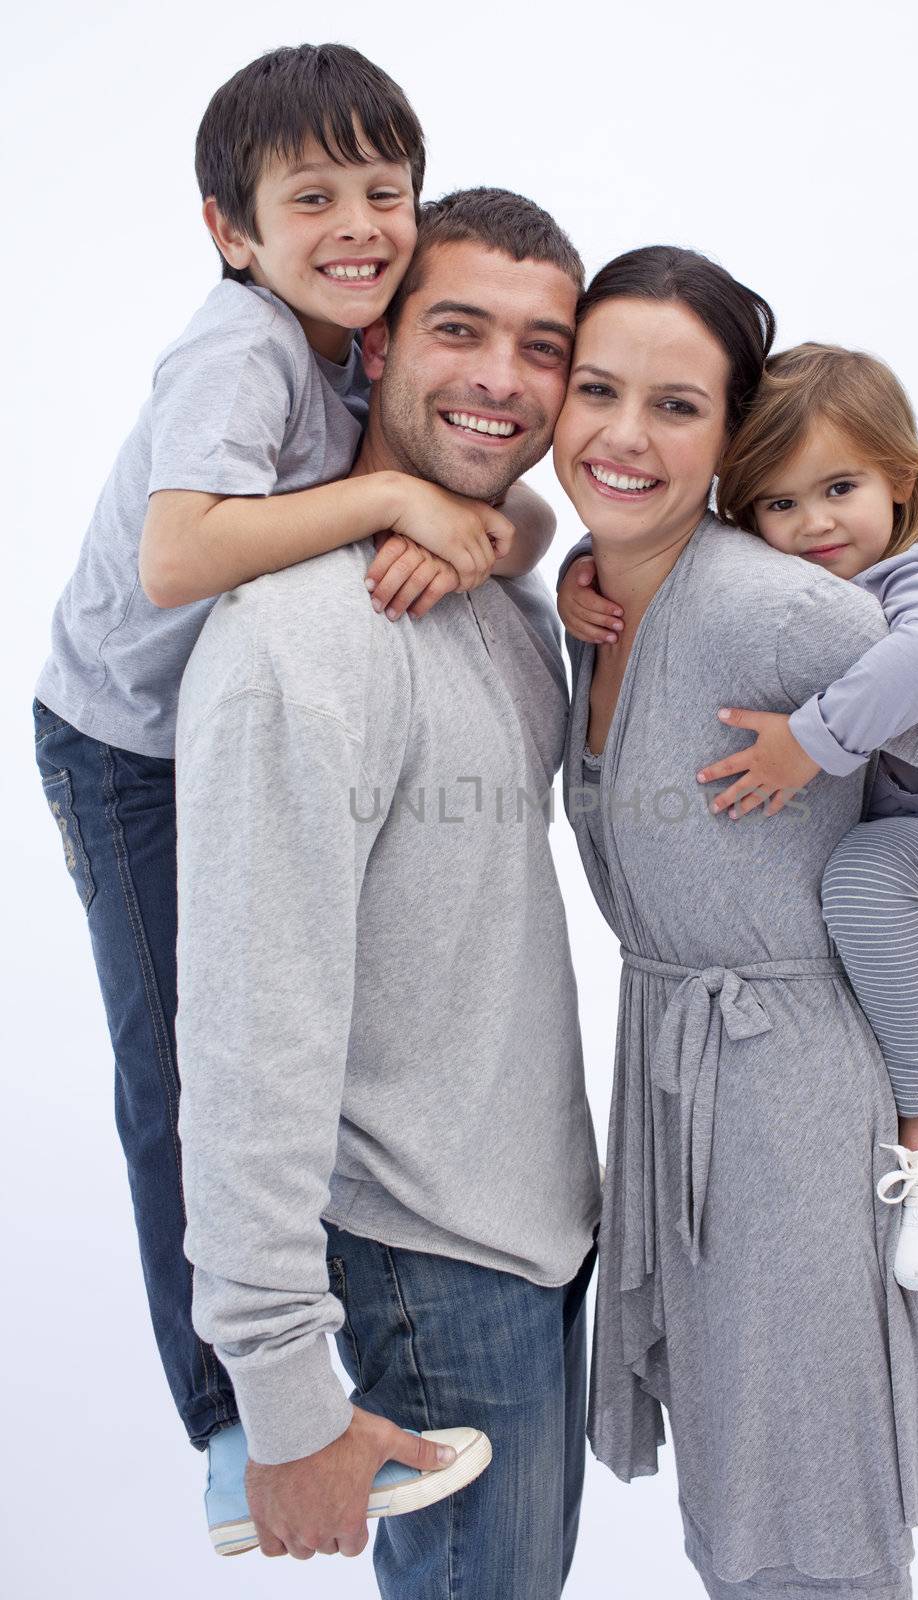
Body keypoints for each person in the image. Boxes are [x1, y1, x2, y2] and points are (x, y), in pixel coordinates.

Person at [547, 245, 918, 1598]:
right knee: (742, 1486)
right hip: (685, 1075)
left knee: (802, 1508)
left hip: (791, 1100)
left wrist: (880, 919)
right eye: (596, 388)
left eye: (678, 405)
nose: (625, 435)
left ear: (721, 433)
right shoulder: (604, 596)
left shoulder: (779, 608)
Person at [30, 40, 553, 1508]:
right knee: (180, 1053)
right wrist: (383, 496)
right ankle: (231, 1425)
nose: (357, 227)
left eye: (384, 192)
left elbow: (503, 504)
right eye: (309, 196)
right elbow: (181, 550)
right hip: (122, 745)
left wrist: (470, 530)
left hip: (214, 722)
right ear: (230, 231)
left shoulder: (362, 338)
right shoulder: (236, 347)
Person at [175, 189, 601, 1597]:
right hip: (422, 1261)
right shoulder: (300, 634)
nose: (500, 379)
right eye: (457, 329)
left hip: (531, 1233)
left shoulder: (489, 589)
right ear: (375, 343)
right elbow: (248, 1027)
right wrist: (284, 1393)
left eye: (542, 348)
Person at [561, 340, 918, 1295]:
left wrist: (810, 741)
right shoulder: (779, 588)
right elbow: (649, 541)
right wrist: (577, 571)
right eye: (778, 503)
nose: (813, 524)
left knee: (856, 880)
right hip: (832, 863)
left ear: (900, 480)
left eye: (839, 488)